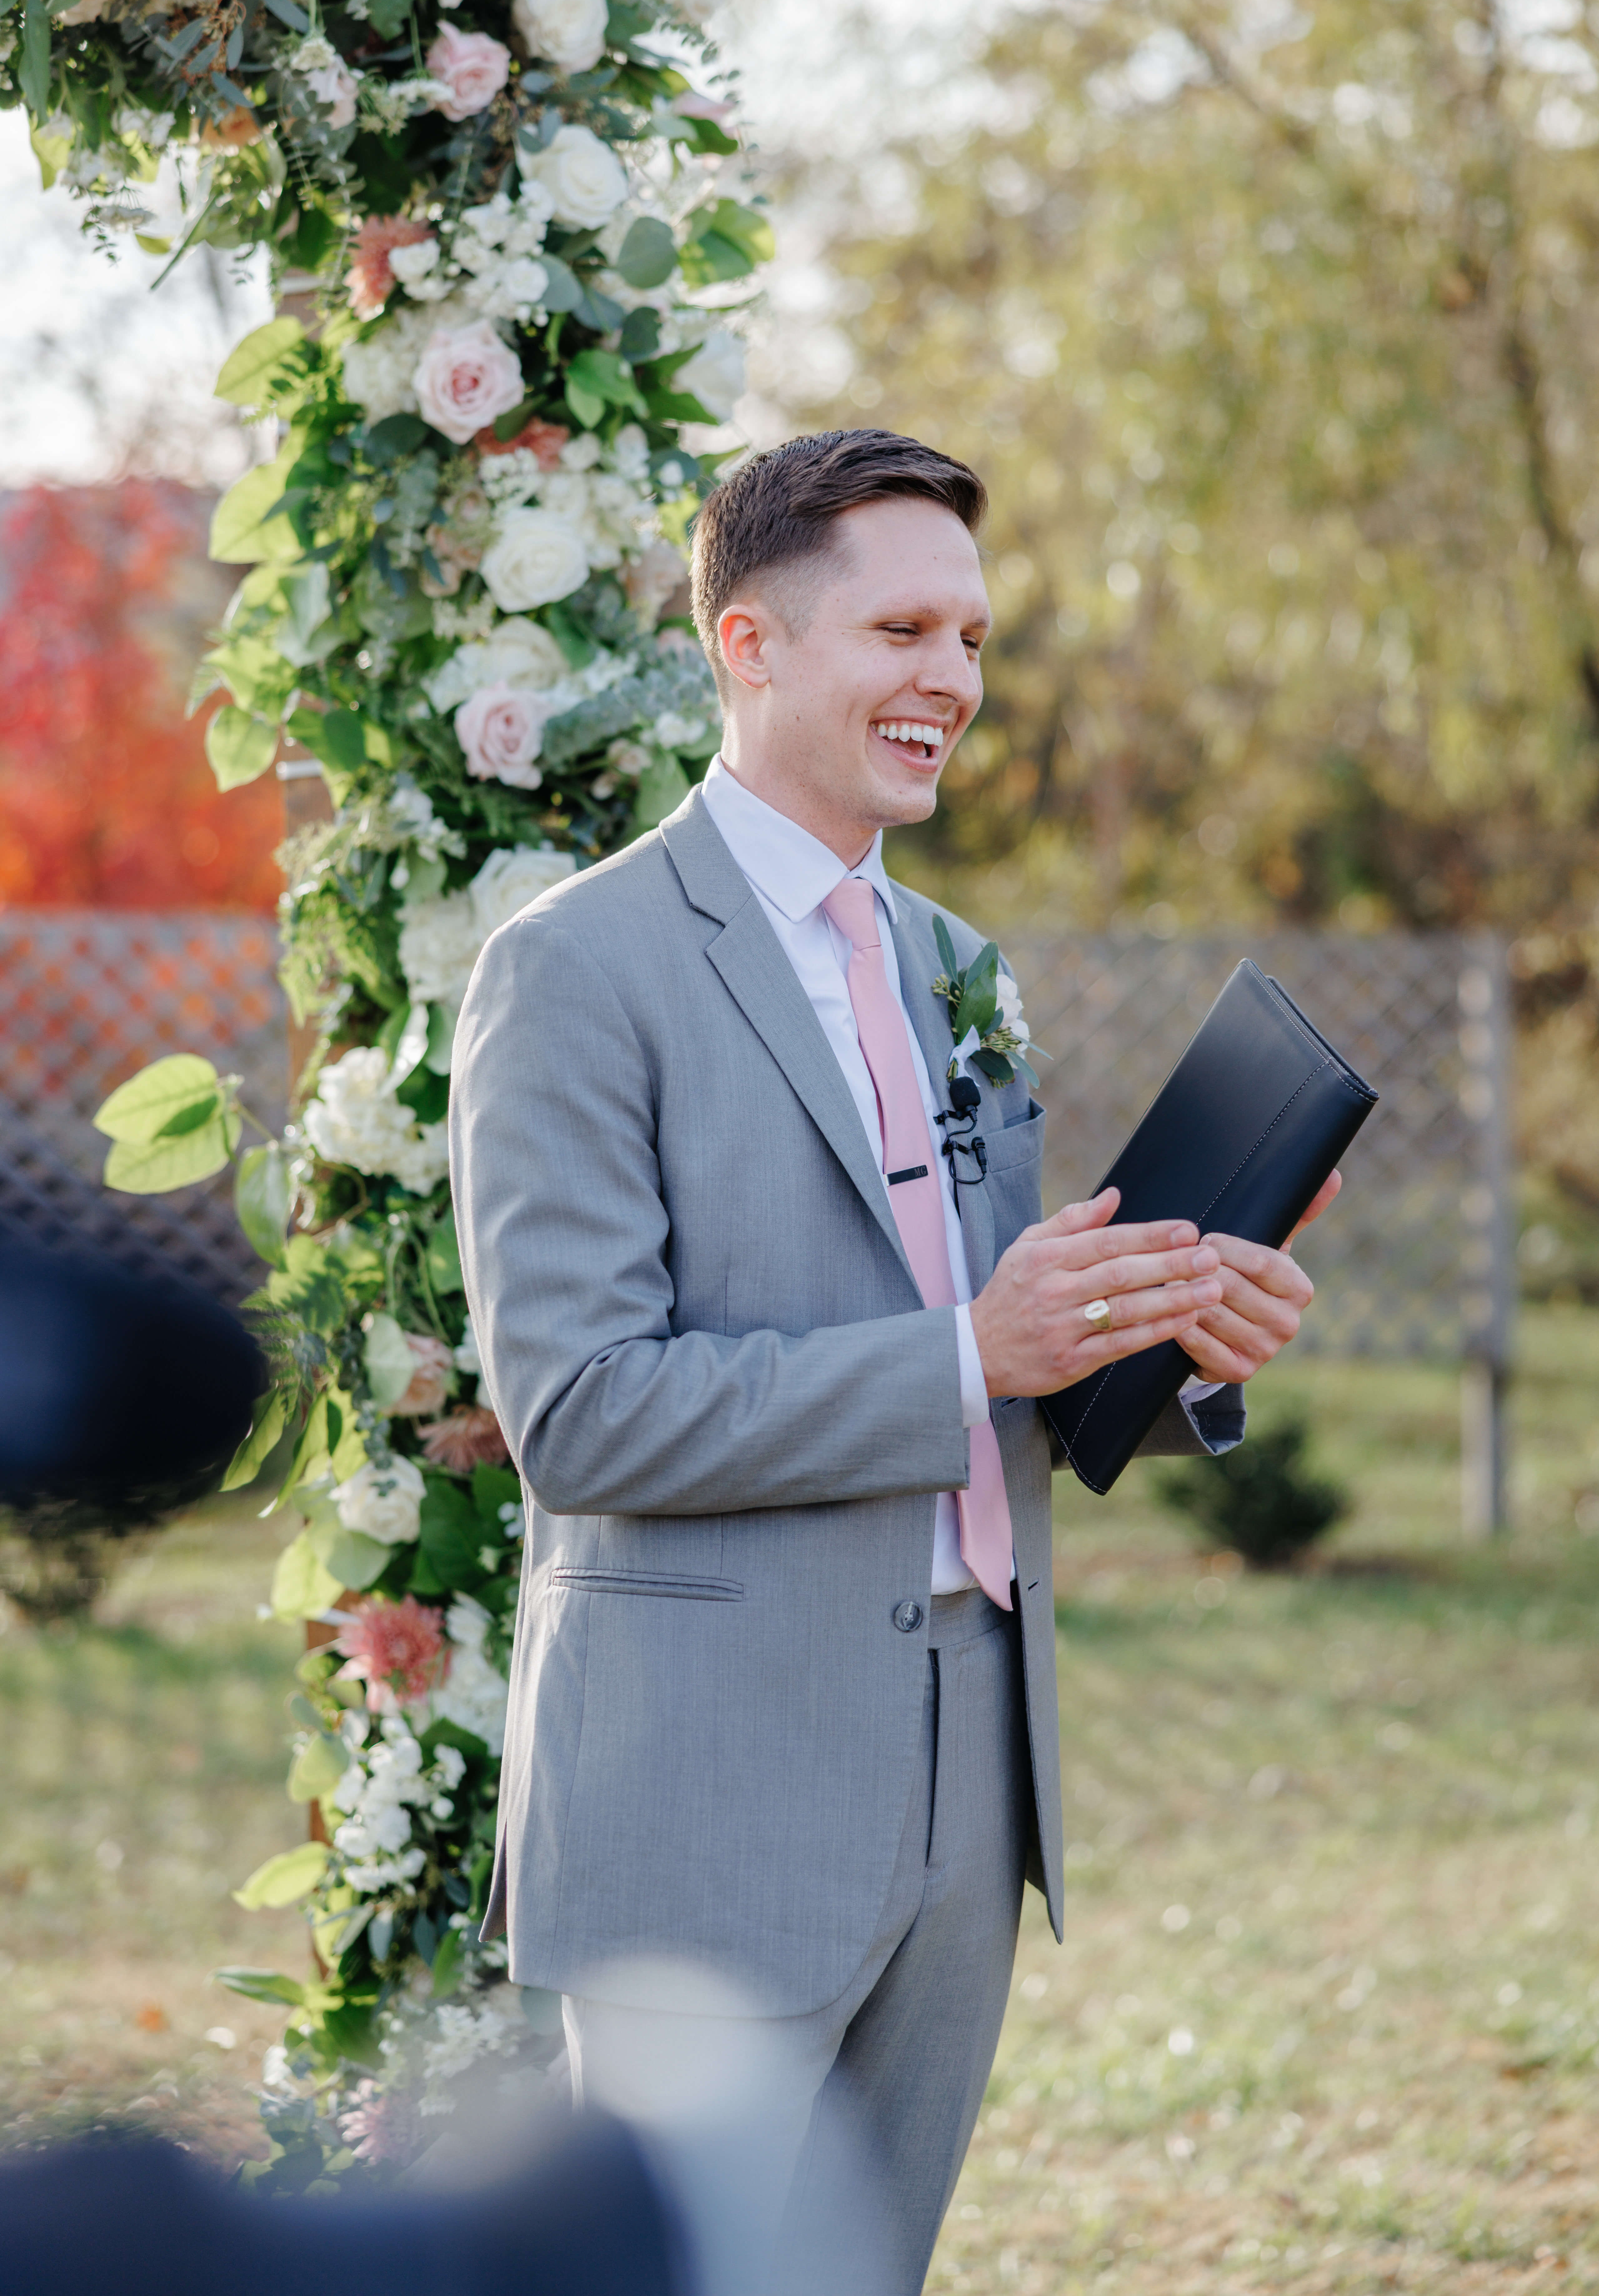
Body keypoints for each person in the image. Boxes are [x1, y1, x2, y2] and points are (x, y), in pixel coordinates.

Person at [449, 429, 1336, 2292]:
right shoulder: (577, 970)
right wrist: (967, 1350)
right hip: (708, 1797)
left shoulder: (957, 965)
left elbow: (1004, 1369)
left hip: (966, 1786)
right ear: (748, 646)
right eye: (906, 628)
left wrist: (1168, 1351)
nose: (953, 677)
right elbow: (581, 1413)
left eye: (976, 637)